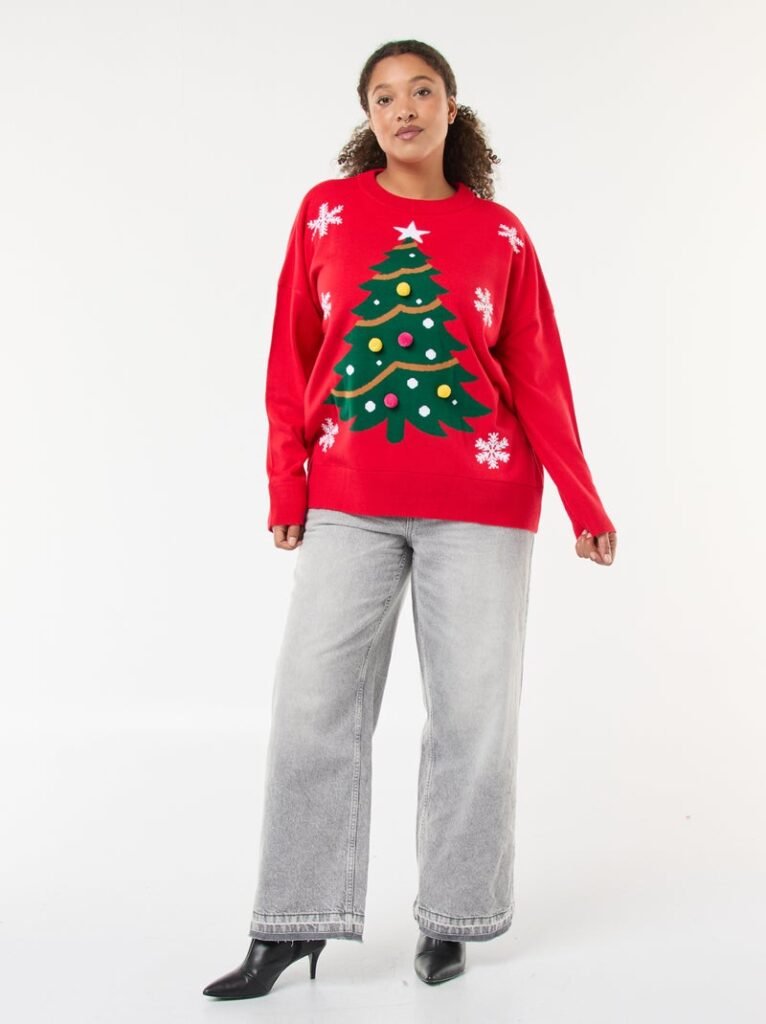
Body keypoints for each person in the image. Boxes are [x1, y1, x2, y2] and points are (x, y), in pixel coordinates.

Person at [203, 37, 617, 1001]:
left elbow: (538, 372)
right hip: (349, 501)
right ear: (369, 117)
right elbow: (290, 354)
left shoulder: (500, 233)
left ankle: (453, 919)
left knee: (473, 717)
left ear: (450, 108)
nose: (404, 109)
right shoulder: (328, 212)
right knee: (311, 706)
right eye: (385, 96)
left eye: (421, 91)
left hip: (482, 503)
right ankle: (291, 923)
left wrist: (582, 497)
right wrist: (286, 482)